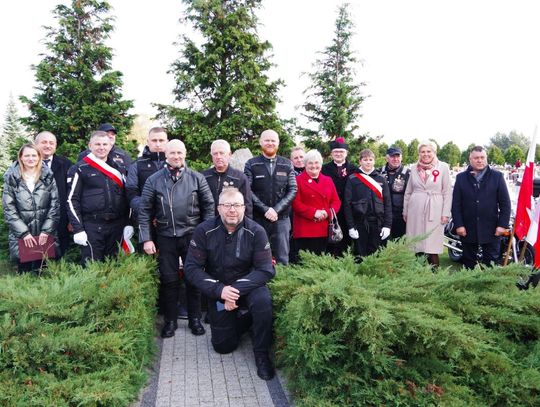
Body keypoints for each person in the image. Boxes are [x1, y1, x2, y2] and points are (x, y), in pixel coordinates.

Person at [184, 188, 276, 380]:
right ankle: (245, 320)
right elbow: (191, 269)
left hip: (249, 287)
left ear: (244, 208)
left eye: (236, 205)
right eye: (227, 205)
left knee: (262, 303)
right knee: (223, 347)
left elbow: (266, 269)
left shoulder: (256, 231)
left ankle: (262, 353)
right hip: (218, 291)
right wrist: (220, 291)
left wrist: (232, 291)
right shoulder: (204, 231)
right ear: (219, 209)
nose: (232, 210)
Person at [138, 139, 215, 338]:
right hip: (165, 237)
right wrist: (146, 239)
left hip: (192, 236)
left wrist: (205, 235)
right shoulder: (153, 180)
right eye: (172, 153)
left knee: (194, 279)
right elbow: (144, 211)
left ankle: (195, 319)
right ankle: (170, 321)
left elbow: (209, 208)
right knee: (169, 280)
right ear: (166, 154)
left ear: (185, 154)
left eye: (180, 153)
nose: (176, 157)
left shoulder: (197, 178)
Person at [67, 131, 130, 264]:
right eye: (97, 144)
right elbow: (71, 200)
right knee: (91, 269)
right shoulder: (79, 168)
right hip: (92, 227)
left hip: (117, 226)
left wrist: (128, 223)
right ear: (90, 145)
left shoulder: (119, 169)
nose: (102, 147)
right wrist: (78, 229)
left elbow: (127, 197)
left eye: (105, 144)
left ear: (110, 146)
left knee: (114, 266)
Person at [3, 144, 59, 273]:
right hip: (23, 235)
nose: (31, 158)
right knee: (25, 275)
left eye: (34, 155)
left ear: (39, 157)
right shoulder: (12, 178)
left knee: (44, 273)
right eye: (27, 155)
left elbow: (55, 205)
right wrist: (24, 233)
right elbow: (9, 208)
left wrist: (46, 230)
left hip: (44, 234)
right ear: (21, 158)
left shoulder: (48, 176)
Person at [451, 146, 511, 269]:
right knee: (468, 262)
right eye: (476, 158)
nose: (480, 160)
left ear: (486, 158)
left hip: (492, 228)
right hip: (467, 228)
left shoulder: (497, 177)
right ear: (470, 159)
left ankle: (488, 287)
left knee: (491, 263)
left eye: (482, 157)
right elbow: (456, 204)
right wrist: (459, 225)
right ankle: (470, 287)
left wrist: (502, 225)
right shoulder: (461, 178)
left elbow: (505, 203)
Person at [244, 129, 297, 265]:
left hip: (282, 219)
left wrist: (276, 210)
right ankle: (260, 285)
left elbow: (293, 189)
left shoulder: (287, 164)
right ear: (261, 142)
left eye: (273, 140)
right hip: (259, 219)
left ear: (278, 143)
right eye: (267, 140)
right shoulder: (251, 164)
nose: (270, 143)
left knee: (283, 258)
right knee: (259, 257)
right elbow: (247, 190)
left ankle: (283, 285)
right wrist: (266, 210)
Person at [403, 140, 452, 268]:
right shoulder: (413, 168)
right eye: (422, 152)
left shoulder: (443, 167)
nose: (426, 154)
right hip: (415, 209)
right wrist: (405, 211)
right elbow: (408, 191)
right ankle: (418, 274)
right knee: (417, 243)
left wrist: (445, 213)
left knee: (432, 245)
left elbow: (447, 192)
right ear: (419, 153)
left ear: (434, 152)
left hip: (435, 208)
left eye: (428, 151)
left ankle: (434, 275)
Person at [343, 149, 392, 260]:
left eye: (370, 160)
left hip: (377, 223)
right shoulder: (353, 179)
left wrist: (387, 225)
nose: (368, 162)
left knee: (376, 256)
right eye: (365, 160)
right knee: (359, 256)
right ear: (360, 162)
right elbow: (347, 204)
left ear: (374, 161)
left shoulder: (381, 179)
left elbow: (388, 204)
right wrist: (351, 226)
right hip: (359, 223)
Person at [291, 149, 341, 259]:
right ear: (305, 164)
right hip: (306, 229)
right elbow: (295, 203)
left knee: (324, 262)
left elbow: (336, 201)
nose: (314, 166)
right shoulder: (297, 180)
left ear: (321, 164)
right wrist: (314, 213)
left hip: (326, 228)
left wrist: (327, 213)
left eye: (317, 162)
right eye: (310, 163)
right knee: (305, 263)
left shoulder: (328, 180)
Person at [34, 131, 73, 257]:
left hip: (60, 219)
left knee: (59, 257)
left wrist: (71, 219)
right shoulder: (27, 164)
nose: (48, 146)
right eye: (44, 142)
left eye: (51, 143)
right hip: (35, 218)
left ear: (55, 146)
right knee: (36, 258)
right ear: (36, 144)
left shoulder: (66, 164)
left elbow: (72, 193)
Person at [322, 137, 357, 256]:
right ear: (332, 153)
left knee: (347, 237)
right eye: (336, 152)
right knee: (331, 237)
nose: (338, 154)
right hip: (331, 209)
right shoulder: (324, 169)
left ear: (346, 153)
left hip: (349, 209)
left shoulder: (354, 169)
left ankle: (345, 260)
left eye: (341, 152)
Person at [126, 127, 168, 222]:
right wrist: (147, 209)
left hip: (170, 219)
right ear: (148, 142)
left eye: (161, 140)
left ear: (167, 141)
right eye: (154, 140)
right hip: (145, 219)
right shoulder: (137, 164)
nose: (157, 144)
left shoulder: (175, 162)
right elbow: (131, 192)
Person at [202, 139, 253, 218]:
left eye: (222, 153)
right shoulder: (203, 177)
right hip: (208, 224)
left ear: (229, 154)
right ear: (211, 156)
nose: (218, 157)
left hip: (232, 224)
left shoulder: (240, 178)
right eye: (215, 154)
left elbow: (247, 206)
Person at [380, 146, 410, 239]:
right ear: (387, 158)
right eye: (393, 156)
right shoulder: (379, 172)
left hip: (400, 215)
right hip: (383, 213)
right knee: (383, 242)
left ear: (401, 158)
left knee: (399, 242)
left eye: (398, 156)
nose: (396, 159)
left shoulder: (408, 173)